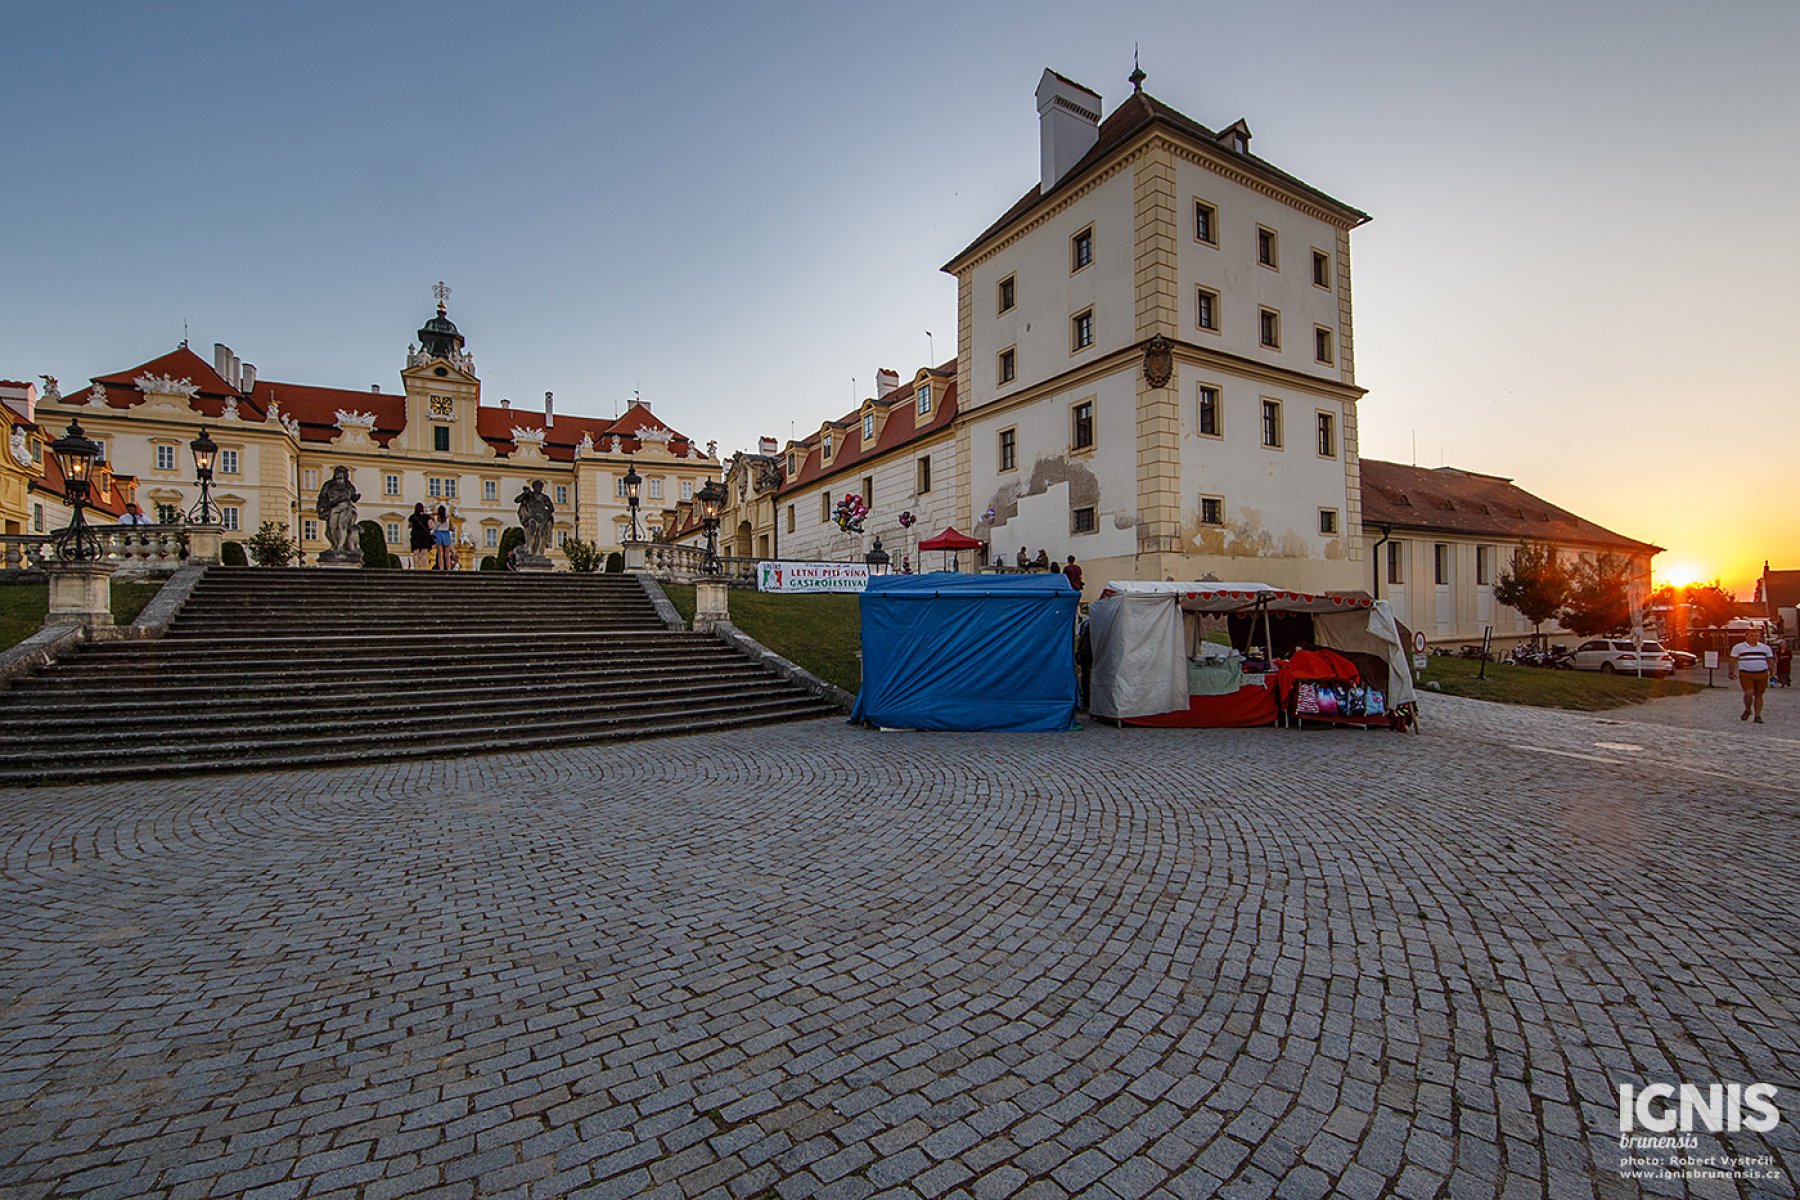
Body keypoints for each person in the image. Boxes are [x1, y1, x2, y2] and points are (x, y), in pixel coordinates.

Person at [1728, 626, 1776, 723]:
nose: (1754, 638)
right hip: (1746, 673)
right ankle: (1748, 709)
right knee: (1748, 692)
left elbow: (1769, 660)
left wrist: (1773, 672)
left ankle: (1757, 715)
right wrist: (1731, 671)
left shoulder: (1765, 648)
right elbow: (1732, 660)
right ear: (1746, 636)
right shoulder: (1738, 647)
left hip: (1761, 673)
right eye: (1752, 635)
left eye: (1756, 636)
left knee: (1759, 694)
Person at [406, 502, 433, 570]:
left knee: (416, 553)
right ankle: (424, 568)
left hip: (415, 535)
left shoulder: (412, 517)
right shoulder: (427, 517)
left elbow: (409, 526)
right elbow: (431, 526)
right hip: (424, 535)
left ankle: (416, 568)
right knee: (424, 553)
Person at [433, 504, 455, 570]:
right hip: (446, 534)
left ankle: (441, 568)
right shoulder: (448, 518)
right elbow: (452, 528)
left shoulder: (436, 518)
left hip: (438, 533)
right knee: (447, 554)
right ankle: (448, 569)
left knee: (440, 554)